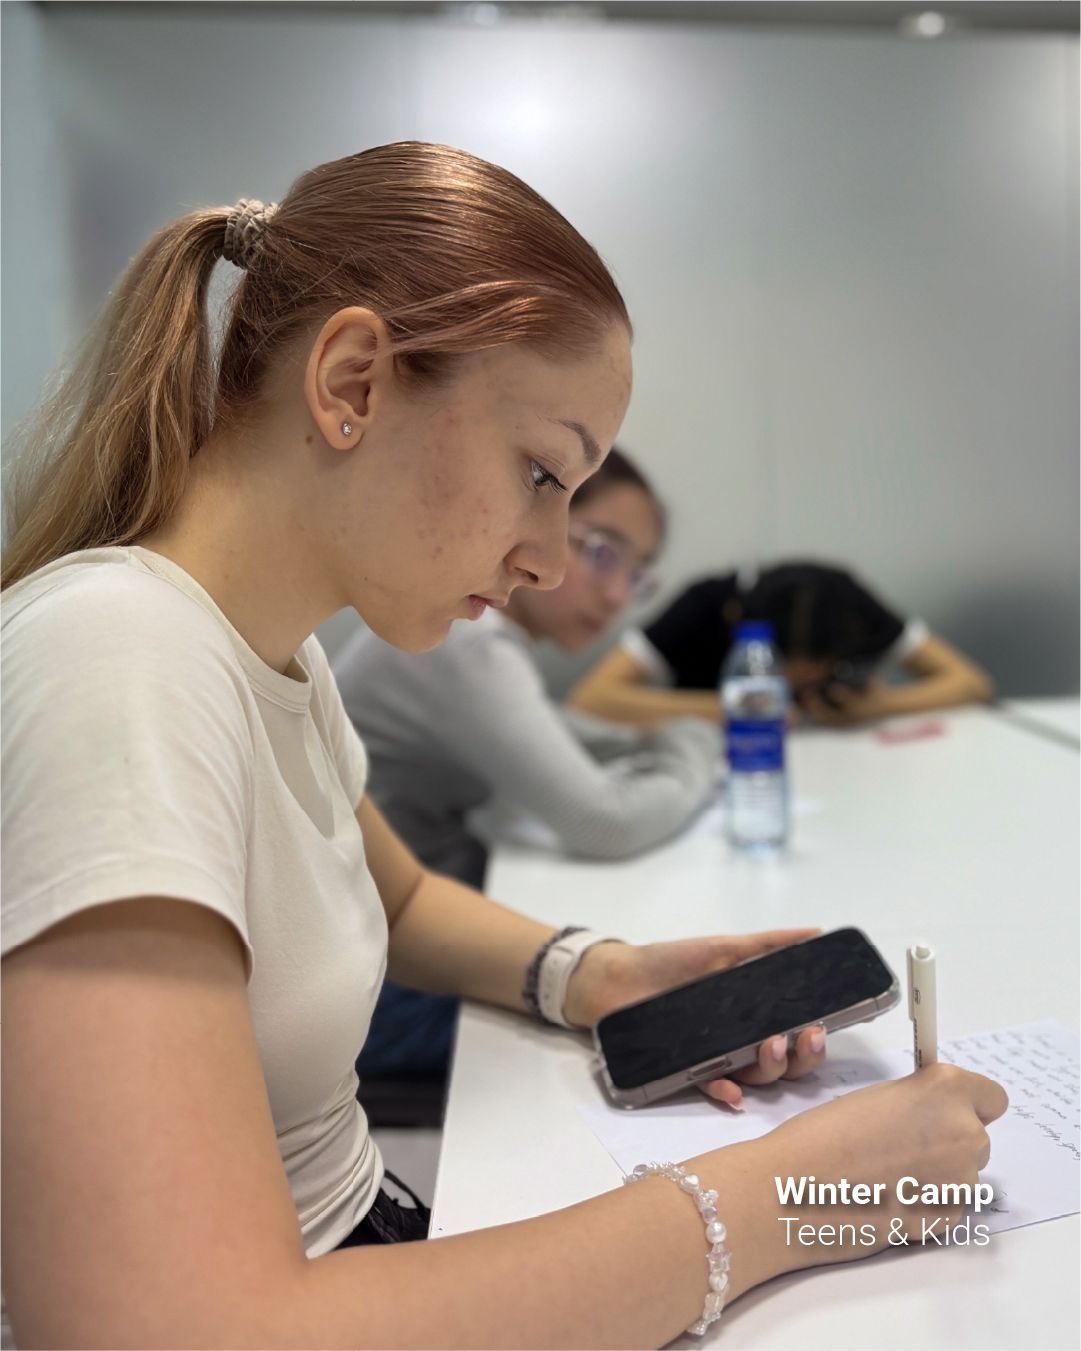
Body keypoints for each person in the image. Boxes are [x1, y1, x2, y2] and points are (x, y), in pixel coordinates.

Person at [1, 142, 1005, 1350]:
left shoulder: (272, 650)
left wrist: (599, 975)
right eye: (540, 472)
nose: (548, 555)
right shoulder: (116, 659)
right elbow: (178, 1330)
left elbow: (400, 897)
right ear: (352, 381)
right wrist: (793, 1195)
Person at [334, 444, 716, 1087]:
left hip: (402, 936)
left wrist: (661, 738)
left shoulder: (484, 633)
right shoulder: (468, 639)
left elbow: (558, 730)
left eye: (636, 573)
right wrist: (701, 747)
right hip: (379, 985)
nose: (617, 595)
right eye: (603, 553)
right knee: (654, 1019)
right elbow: (604, 822)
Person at [570, 561, 994, 731]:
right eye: (780, 670)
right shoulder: (709, 604)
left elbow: (971, 684)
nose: (795, 687)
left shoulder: (849, 602)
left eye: (812, 674)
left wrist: (879, 707)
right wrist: (735, 708)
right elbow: (590, 699)